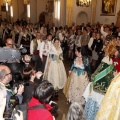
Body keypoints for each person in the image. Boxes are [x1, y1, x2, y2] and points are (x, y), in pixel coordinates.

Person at [83, 41, 116, 120]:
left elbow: (97, 72)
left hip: (98, 87)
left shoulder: (105, 60)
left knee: (93, 103)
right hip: (106, 87)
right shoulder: (111, 62)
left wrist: (91, 77)